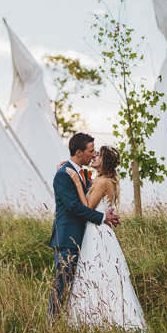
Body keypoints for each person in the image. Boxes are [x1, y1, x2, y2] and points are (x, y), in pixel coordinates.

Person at [64, 145, 147, 332]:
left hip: (96, 233)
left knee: (94, 274)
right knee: (105, 276)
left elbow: (87, 207)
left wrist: (77, 182)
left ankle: (95, 322)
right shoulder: (105, 180)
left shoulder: (102, 182)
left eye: (98, 155)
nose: (94, 156)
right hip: (104, 232)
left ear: (104, 161)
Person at [48, 133, 120, 321]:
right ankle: (50, 325)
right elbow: (74, 207)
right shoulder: (63, 175)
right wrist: (103, 217)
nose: (93, 154)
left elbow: (92, 195)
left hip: (86, 240)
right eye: (90, 151)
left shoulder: (85, 175)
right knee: (61, 287)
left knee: (81, 286)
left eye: (96, 152)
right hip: (67, 240)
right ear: (79, 153)